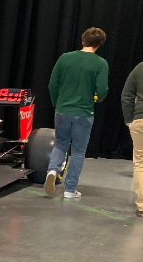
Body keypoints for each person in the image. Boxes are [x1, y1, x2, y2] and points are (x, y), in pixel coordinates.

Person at [44, 27, 109, 198]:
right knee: (79, 151)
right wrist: (97, 98)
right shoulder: (101, 64)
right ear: (100, 44)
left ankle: (52, 172)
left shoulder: (65, 58)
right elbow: (102, 90)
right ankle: (70, 189)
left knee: (60, 143)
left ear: (83, 40)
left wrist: (57, 103)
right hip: (84, 112)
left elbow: (52, 85)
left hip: (62, 109)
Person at [122, 61, 143, 217]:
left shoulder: (141, 67)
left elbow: (127, 96)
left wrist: (129, 119)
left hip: (141, 120)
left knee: (141, 163)